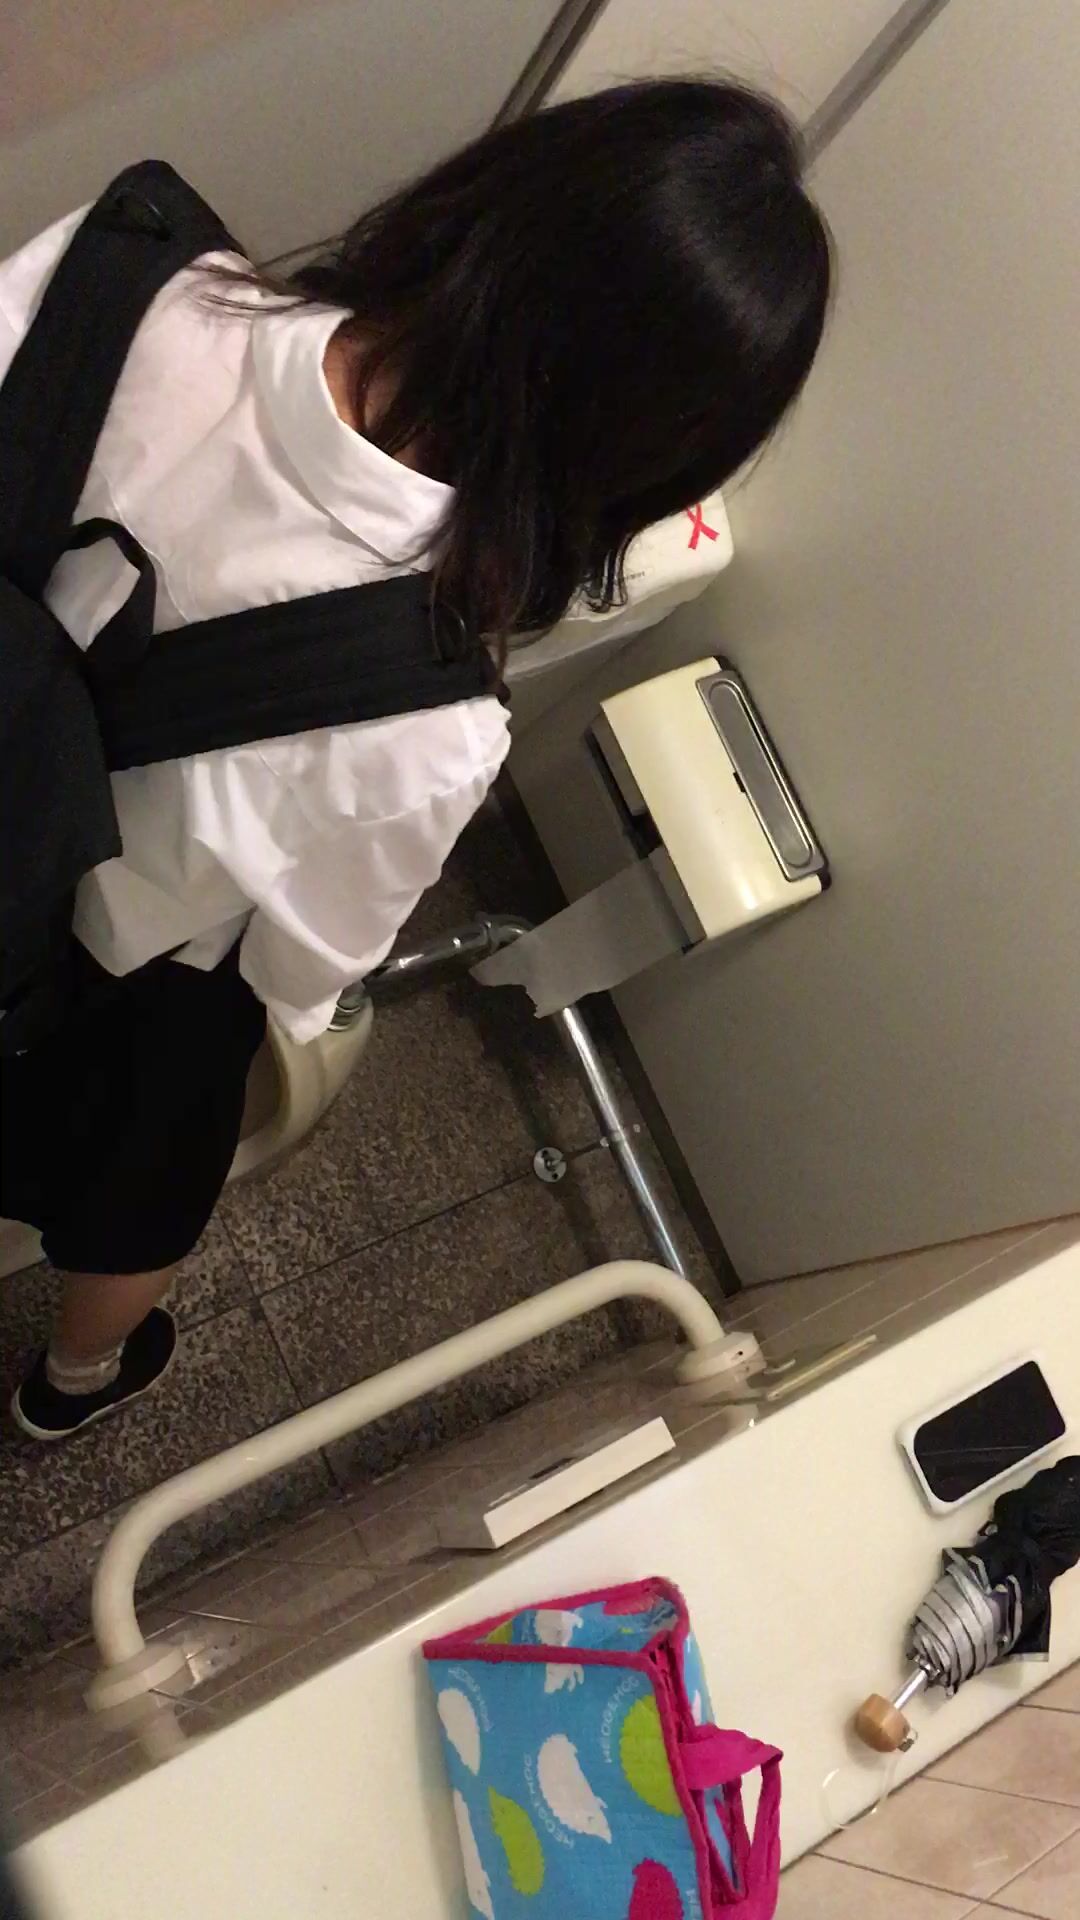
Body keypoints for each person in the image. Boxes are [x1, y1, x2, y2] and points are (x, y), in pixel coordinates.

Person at [0, 78, 831, 1441]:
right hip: (64, 975)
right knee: (158, 1160)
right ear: (637, 457)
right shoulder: (429, 720)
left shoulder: (130, 264)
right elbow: (303, 970)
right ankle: (74, 1379)